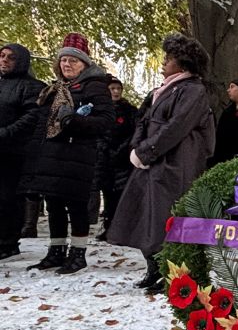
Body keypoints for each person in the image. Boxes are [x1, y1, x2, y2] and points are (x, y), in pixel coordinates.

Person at [108, 33, 215, 292]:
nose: (163, 62)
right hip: (153, 161)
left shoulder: (193, 90)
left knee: (165, 219)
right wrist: (137, 146)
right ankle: (153, 268)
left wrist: (146, 152)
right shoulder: (163, 89)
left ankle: (170, 272)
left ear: (184, 63)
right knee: (147, 216)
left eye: (170, 58)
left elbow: (176, 127)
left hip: (175, 163)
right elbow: (143, 120)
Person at [21, 33, 114, 274]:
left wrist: (73, 121)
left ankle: (78, 254)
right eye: (64, 60)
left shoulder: (95, 86)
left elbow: (105, 121)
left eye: (73, 60)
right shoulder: (57, 87)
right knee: (53, 204)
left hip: (77, 155)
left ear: (85, 63)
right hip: (52, 156)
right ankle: (56, 251)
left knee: (76, 206)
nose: (67, 64)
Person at [0, 43, 45, 260]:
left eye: (11, 57)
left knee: (8, 197)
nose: (5, 60)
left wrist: (6, 132)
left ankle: (8, 241)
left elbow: (31, 117)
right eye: (2, 56)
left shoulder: (32, 86)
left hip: (16, 152)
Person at [94, 75, 138, 241]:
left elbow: (134, 133)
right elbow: (96, 131)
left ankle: (122, 228)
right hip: (104, 159)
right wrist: (103, 148)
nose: (116, 92)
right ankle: (108, 226)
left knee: (122, 194)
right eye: (112, 89)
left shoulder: (130, 110)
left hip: (123, 159)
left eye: (118, 88)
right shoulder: (100, 110)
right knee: (108, 194)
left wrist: (122, 149)